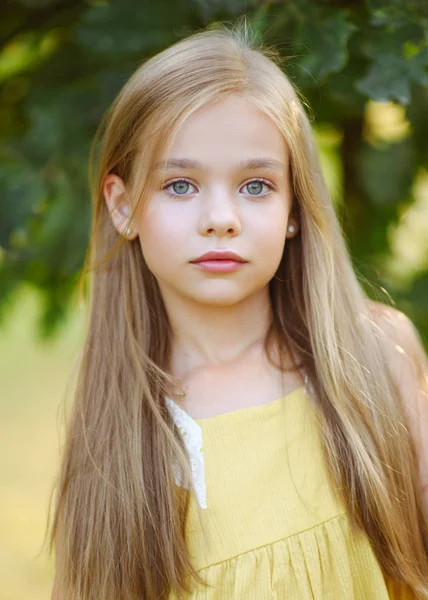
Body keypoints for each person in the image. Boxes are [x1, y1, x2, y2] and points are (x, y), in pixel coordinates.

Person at [48, 19, 428, 600]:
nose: (221, 217)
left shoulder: (377, 355)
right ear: (124, 207)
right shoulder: (124, 429)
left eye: (255, 186)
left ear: (294, 207)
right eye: (180, 185)